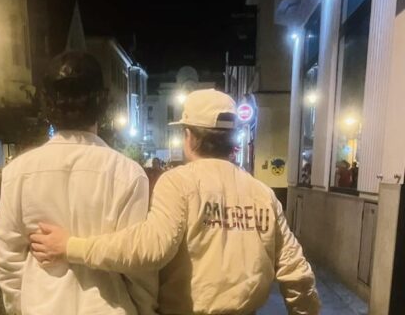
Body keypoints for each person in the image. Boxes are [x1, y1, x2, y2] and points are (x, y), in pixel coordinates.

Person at [31, 89, 321, 315]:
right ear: (233, 139)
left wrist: (71, 246)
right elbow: (297, 272)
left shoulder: (179, 183)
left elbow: (149, 248)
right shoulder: (262, 194)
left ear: (188, 135)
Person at [0, 51, 157, 315]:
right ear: (102, 101)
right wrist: (145, 309)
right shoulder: (128, 173)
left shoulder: (18, 172)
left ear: (46, 103)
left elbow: (7, 260)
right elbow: (136, 264)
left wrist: (20, 307)